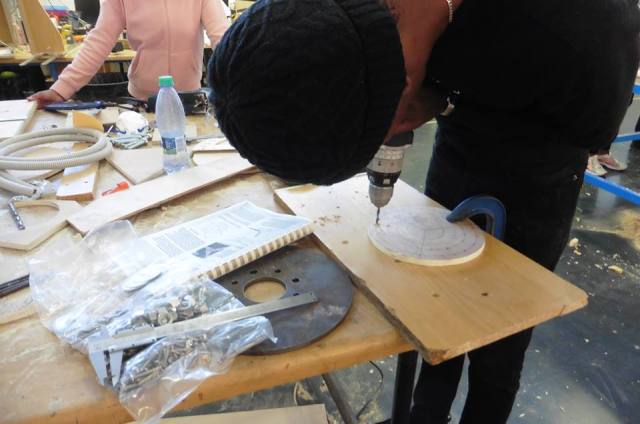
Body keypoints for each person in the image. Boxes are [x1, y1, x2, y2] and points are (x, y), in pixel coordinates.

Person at [207, 0, 640, 422]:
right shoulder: (350, 28)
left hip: (540, 171)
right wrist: (439, 101)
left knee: (502, 335)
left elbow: (594, 132)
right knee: (440, 309)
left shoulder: (578, 32)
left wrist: (455, 98)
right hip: (460, 139)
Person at [28, 0, 229, 108]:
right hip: (143, 100)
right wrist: (61, 89)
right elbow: (99, 40)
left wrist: (243, 79)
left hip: (188, 98)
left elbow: (223, 39)